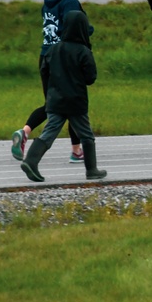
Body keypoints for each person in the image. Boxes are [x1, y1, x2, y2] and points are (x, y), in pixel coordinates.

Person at [11, 0, 91, 163]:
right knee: (73, 100)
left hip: (45, 55)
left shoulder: (48, 1)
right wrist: (88, 30)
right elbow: (75, 27)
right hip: (64, 58)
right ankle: (76, 151)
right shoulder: (69, 2)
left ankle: (25, 131)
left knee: (52, 104)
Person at [21, 10, 106, 182]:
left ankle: (31, 160)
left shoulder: (53, 50)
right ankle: (92, 170)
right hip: (76, 102)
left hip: (55, 99)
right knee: (86, 135)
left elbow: (44, 70)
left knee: (49, 132)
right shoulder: (83, 51)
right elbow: (91, 78)